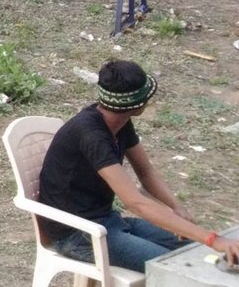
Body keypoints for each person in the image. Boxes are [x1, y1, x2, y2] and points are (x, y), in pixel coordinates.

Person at [38, 59, 239, 272]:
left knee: (195, 251)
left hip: (108, 221)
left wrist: (177, 207)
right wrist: (212, 238)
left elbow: (146, 172)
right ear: (137, 104)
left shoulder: (118, 121)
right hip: (77, 234)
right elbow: (136, 203)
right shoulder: (92, 135)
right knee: (175, 269)